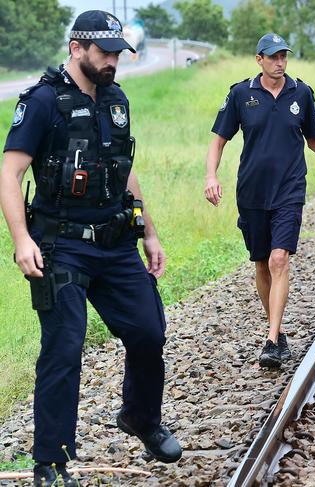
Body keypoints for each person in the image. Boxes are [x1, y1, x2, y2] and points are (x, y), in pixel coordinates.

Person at [0, 10, 182, 486]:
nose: (112, 61)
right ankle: (51, 464)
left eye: (118, 53)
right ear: (76, 47)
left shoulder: (116, 99)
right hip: (61, 247)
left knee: (148, 332)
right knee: (64, 348)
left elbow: (124, 169)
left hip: (116, 242)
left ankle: (141, 418)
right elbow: (10, 172)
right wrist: (22, 239)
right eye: (104, 51)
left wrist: (149, 231)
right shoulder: (42, 101)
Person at [204, 33, 315, 369]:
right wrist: (211, 176)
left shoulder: (301, 93)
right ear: (259, 59)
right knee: (260, 262)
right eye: (273, 57)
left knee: (278, 260)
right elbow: (218, 141)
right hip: (251, 192)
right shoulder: (241, 94)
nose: (280, 62)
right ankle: (278, 330)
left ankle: (272, 340)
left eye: (283, 56)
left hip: (289, 190)